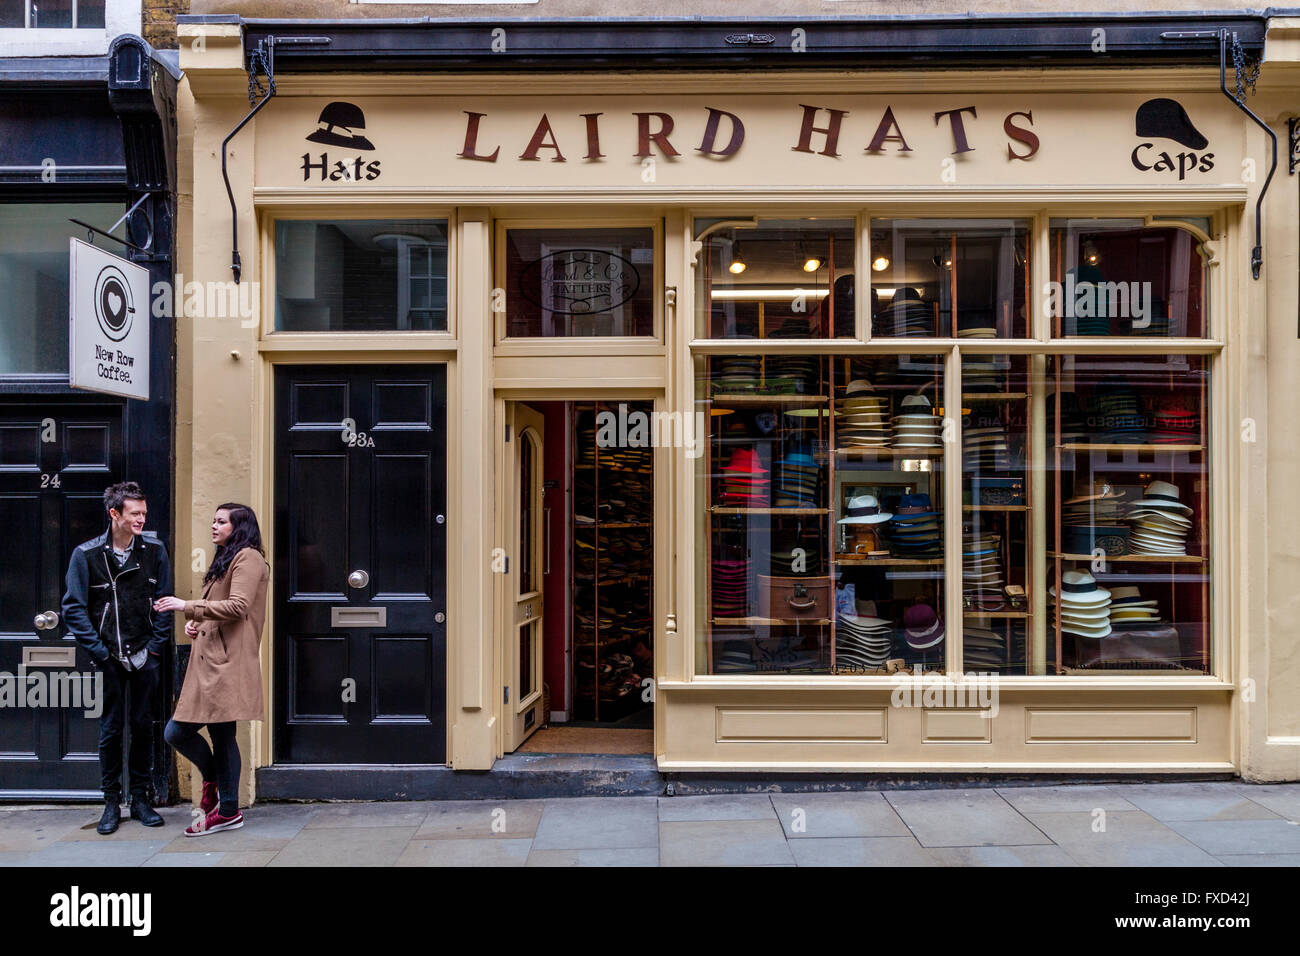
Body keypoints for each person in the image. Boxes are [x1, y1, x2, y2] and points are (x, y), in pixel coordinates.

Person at [62, 481, 173, 835]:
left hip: (145, 654)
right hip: (109, 657)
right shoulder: (87, 555)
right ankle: (111, 801)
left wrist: (155, 646)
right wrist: (99, 652)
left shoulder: (154, 551)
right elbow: (73, 608)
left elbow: (165, 602)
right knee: (111, 730)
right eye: (135, 513)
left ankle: (139, 799)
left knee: (143, 727)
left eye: (144, 513)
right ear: (115, 514)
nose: (142, 518)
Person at [154, 503, 268, 836]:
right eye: (213, 520)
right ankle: (224, 797)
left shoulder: (248, 557)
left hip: (227, 663)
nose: (213, 526)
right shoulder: (228, 557)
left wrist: (184, 606)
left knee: (181, 732)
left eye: (221, 521)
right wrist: (196, 624)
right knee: (211, 734)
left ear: (240, 526)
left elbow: (239, 606)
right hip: (212, 660)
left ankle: (227, 807)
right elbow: (223, 609)